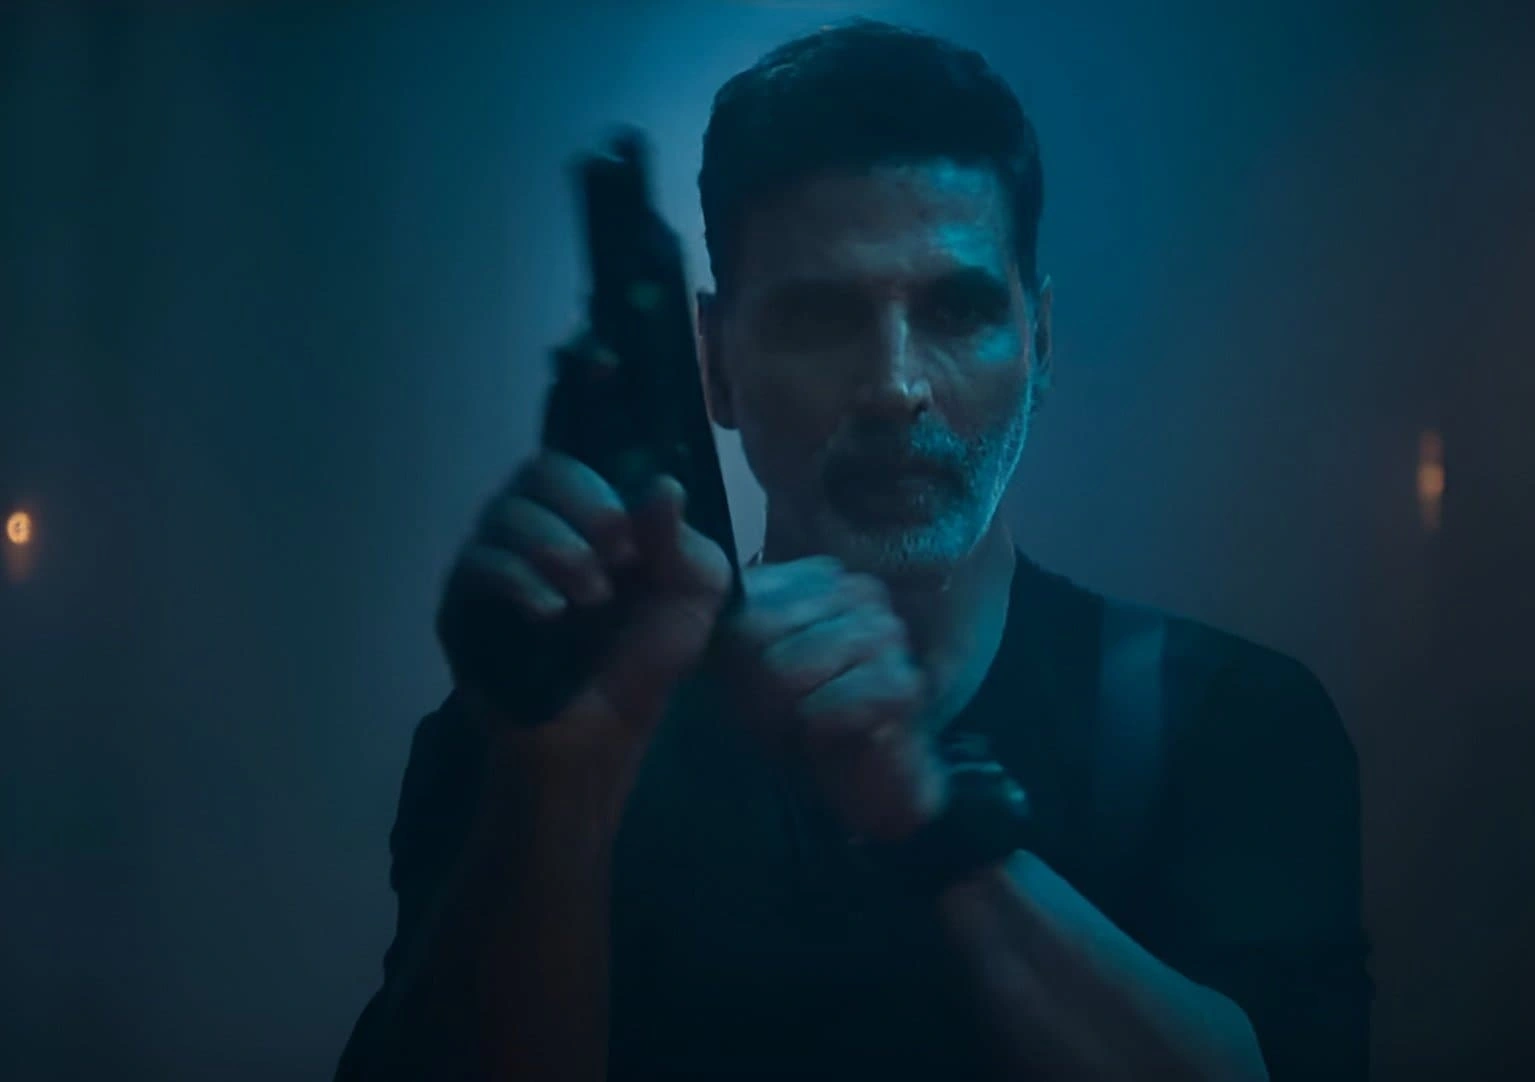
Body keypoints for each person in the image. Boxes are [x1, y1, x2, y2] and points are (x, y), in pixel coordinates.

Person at [335, 19, 1370, 1082]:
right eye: (822, 316)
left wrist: (931, 825)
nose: (894, 386)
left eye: (958, 309)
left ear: (1040, 342)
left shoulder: (1222, 720)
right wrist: (557, 784)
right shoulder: (534, 735)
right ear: (715, 363)